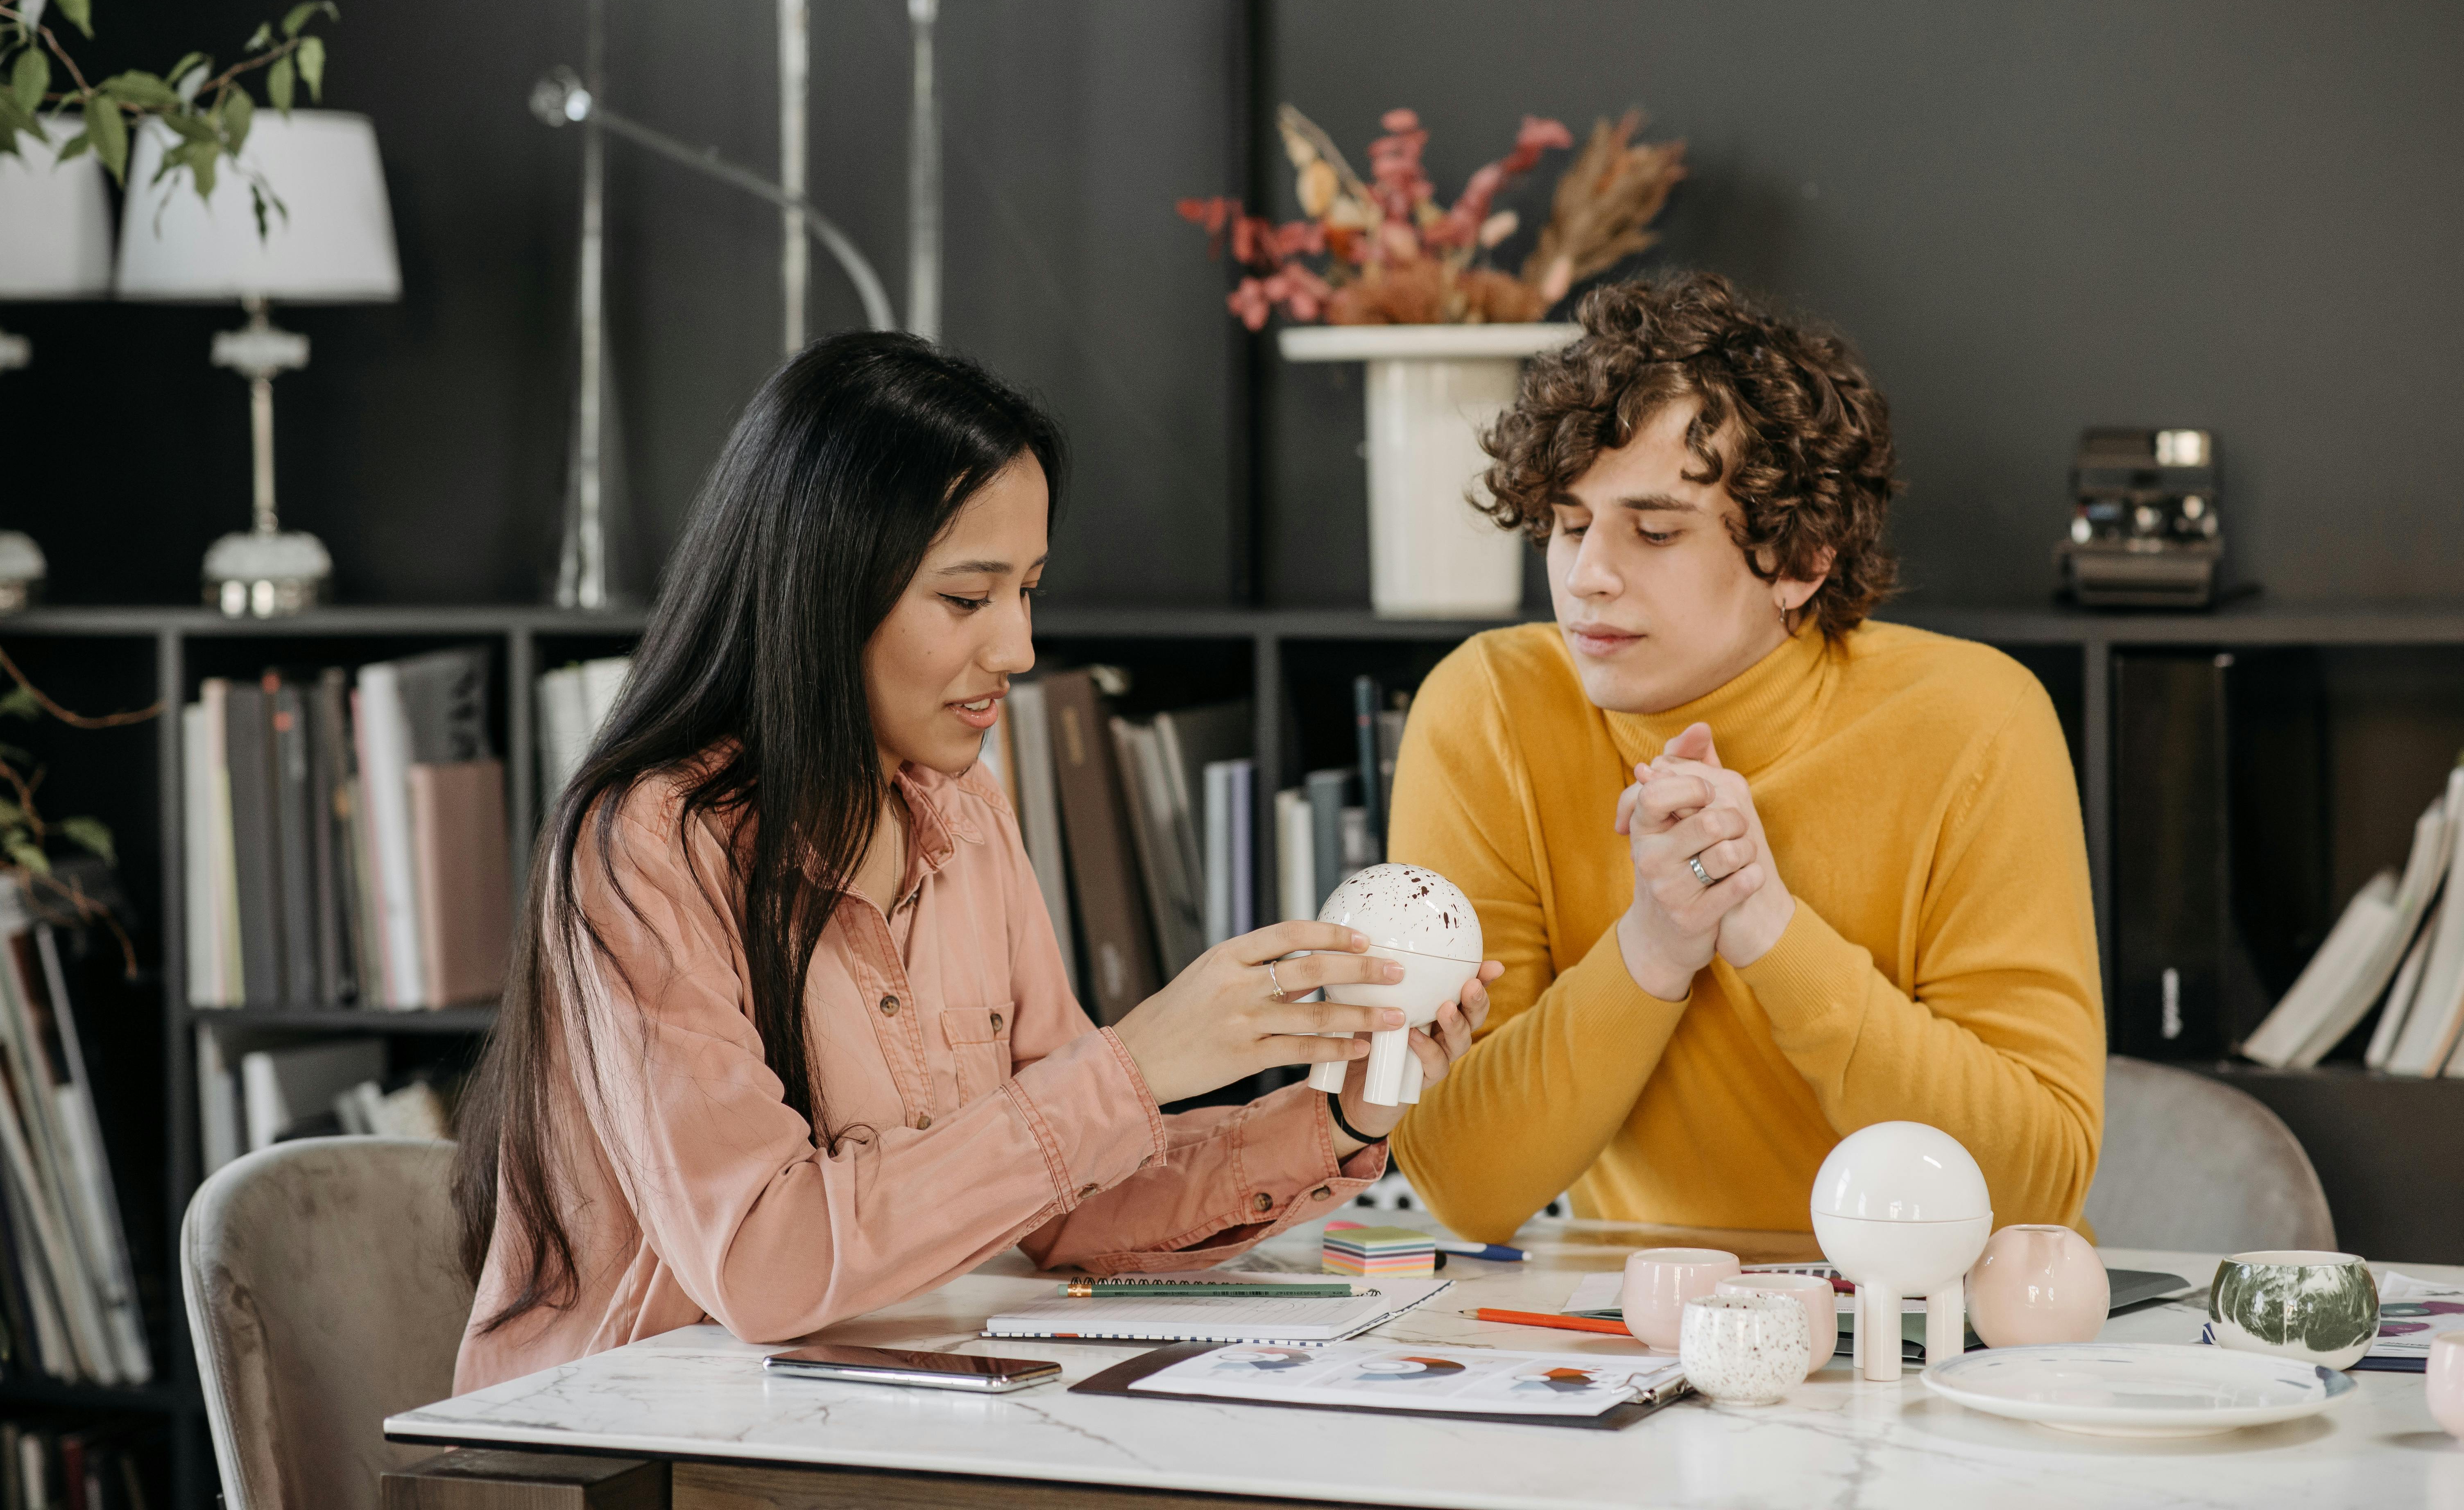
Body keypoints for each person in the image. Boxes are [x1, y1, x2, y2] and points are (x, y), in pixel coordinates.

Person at [451, 334, 1501, 1391]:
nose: (1019, 649)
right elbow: (766, 1267)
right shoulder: (647, 845)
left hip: (868, 1423)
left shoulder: (966, 814)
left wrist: (1338, 1111)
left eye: (1029, 590)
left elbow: (1065, 1201)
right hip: (627, 1445)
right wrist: (1134, 1069)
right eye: (967, 600)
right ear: (825, 592)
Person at [1387, 274, 2103, 1242]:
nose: (1586, 576)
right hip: (1647, 1335)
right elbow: (1466, 1187)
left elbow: (2034, 1188)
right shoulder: (1489, 712)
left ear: (1800, 558)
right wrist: (1654, 944)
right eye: (1566, 525)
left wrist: (1763, 922)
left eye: (1653, 531)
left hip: (1945, 1333)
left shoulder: (1976, 722)